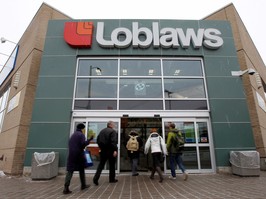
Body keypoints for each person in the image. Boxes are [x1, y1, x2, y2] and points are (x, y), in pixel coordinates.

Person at [63, 123, 94, 194]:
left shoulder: (73, 135)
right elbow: (83, 144)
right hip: (78, 155)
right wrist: (89, 140)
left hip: (71, 155)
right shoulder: (81, 135)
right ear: (82, 129)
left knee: (70, 171)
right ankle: (83, 185)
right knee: (81, 169)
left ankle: (66, 187)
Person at [93, 121, 118, 185]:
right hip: (110, 150)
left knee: (101, 165)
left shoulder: (102, 131)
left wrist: (101, 148)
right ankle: (112, 179)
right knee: (112, 165)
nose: (114, 125)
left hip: (103, 151)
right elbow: (113, 142)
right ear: (110, 125)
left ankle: (96, 178)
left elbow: (98, 140)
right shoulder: (113, 132)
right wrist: (115, 150)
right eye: (113, 124)